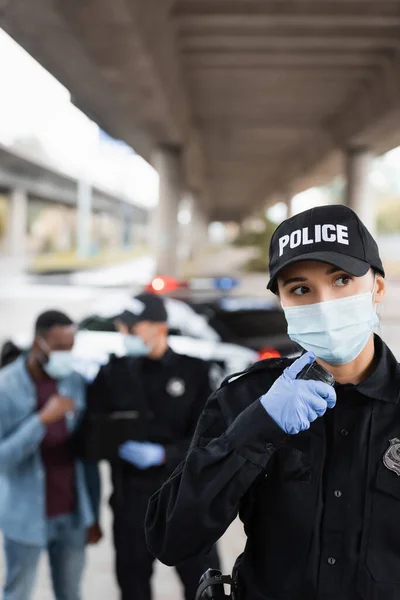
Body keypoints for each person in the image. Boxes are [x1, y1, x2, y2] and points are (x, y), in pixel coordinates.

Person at [145, 204, 400, 600]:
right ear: (283, 303)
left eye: (342, 280)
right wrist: (258, 426)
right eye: (300, 289)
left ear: (377, 288)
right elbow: (171, 538)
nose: (324, 303)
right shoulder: (245, 398)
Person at [79, 292, 220, 600]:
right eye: (121, 327)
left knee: (205, 589)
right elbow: (88, 436)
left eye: (132, 327)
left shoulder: (193, 372)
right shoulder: (112, 374)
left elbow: (211, 441)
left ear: (159, 327)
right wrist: (106, 439)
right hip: (132, 504)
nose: (124, 334)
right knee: (133, 587)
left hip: (185, 500)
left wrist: (165, 454)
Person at [0, 310, 101, 600]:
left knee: (70, 594)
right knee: (17, 593)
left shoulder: (75, 382)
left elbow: (87, 458)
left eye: (70, 348)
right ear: (38, 344)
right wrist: (41, 420)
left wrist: (91, 515)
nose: (66, 356)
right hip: (25, 517)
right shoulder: (6, 387)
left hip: (72, 515)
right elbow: (3, 460)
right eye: (59, 348)